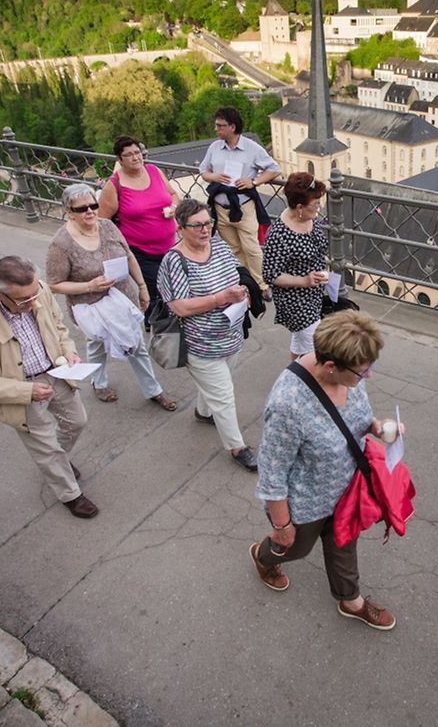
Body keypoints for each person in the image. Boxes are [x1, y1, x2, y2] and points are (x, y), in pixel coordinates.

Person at [250, 310, 397, 631]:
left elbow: (355, 418)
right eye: (362, 371)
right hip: (306, 503)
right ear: (330, 366)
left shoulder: (349, 372)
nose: (368, 376)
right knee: (295, 548)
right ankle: (263, 556)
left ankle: (351, 600)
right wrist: (282, 525)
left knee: (344, 544)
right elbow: (272, 474)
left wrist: (378, 427)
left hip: (348, 490)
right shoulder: (288, 404)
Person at [0, 256, 99, 519]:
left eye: (35, 294)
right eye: (24, 300)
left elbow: (58, 327)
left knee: (77, 422)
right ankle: (70, 494)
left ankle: (57, 462)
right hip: (21, 390)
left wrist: (68, 351)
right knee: (45, 446)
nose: (34, 302)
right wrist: (26, 391)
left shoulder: (37, 289)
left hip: (57, 373)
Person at [46, 183, 177, 410]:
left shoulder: (107, 226)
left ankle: (153, 390)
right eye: (82, 208)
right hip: (90, 305)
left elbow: (128, 256)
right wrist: (89, 285)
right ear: (69, 213)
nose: (90, 211)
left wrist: (142, 287)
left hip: (122, 297)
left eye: (93, 205)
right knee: (97, 345)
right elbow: (54, 285)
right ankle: (99, 382)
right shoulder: (61, 244)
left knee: (136, 344)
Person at [157, 198, 257, 471]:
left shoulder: (219, 245)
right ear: (180, 228)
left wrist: (244, 293)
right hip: (201, 344)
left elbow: (236, 274)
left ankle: (203, 412)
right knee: (224, 396)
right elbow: (179, 307)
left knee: (218, 386)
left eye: (208, 223)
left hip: (231, 335)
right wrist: (221, 298)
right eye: (197, 225)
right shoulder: (175, 261)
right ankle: (237, 448)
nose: (205, 229)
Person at [97, 136, 182, 324]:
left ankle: (157, 323)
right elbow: (103, 222)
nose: (135, 157)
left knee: (172, 288)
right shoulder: (115, 185)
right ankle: (160, 328)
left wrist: (174, 207)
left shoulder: (154, 171)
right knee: (159, 290)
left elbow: (173, 194)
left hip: (171, 246)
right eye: (129, 155)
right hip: (140, 252)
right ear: (119, 160)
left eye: (137, 152)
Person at [198, 107, 280, 294]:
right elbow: (203, 171)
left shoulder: (251, 148)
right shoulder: (214, 147)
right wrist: (214, 176)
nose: (216, 129)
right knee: (233, 248)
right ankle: (245, 282)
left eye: (220, 126)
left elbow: (274, 169)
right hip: (220, 206)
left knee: (252, 248)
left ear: (232, 127)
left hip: (243, 206)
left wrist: (254, 181)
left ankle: (261, 285)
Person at [262, 172, 329, 357]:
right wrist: (304, 280)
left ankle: (294, 372)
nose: (318, 208)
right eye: (315, 204)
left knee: (301, 342)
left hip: (315, 291)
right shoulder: (279, 234)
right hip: (295, 299)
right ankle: (307, 374)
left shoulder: (308, 218)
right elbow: (270, 274)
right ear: (299, 207)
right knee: (315, 349)